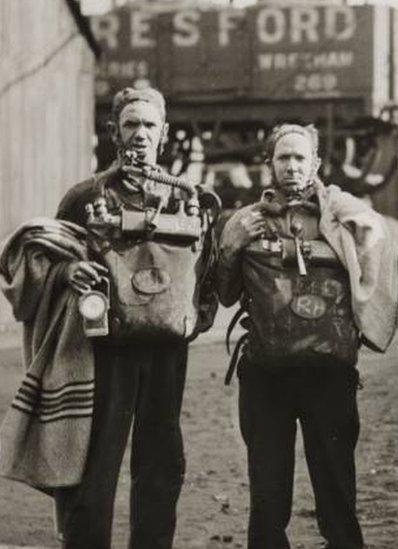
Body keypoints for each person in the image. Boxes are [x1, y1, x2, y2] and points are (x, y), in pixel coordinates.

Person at [30, 85, 217, 548]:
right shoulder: (84, 197)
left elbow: (209, 267)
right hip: (105, 351)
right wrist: (71, 271)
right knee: (97, 461)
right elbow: (49, 256)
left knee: (161, 462)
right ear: (114, 131)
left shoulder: (188, 199)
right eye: (131, 124)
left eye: (149, 125)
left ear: (165, 133)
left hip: (167, 352)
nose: (140, 134)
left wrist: (195, 318)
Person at [216, 123, 398, 549]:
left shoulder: (343, 214)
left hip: (328, 375)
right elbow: (224, 294)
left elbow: (376, 249)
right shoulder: (246, 220)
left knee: (336, 492)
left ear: (316, 163)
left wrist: (352, 240)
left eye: (300, 157)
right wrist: (232, 245)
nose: (292, 166)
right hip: (266, 375)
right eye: (283, 157)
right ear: (269, 165)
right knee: (267, 495)